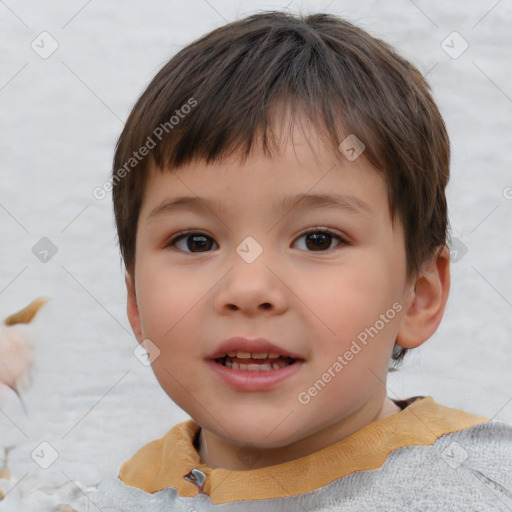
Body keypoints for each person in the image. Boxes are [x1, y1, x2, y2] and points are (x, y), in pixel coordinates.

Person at [91, 11, 512, 511]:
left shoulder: (479, 489)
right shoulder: (123, 493)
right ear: (135, 300)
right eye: (196, 242)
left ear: (417, 296)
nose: (248, 289)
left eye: (317, 240)